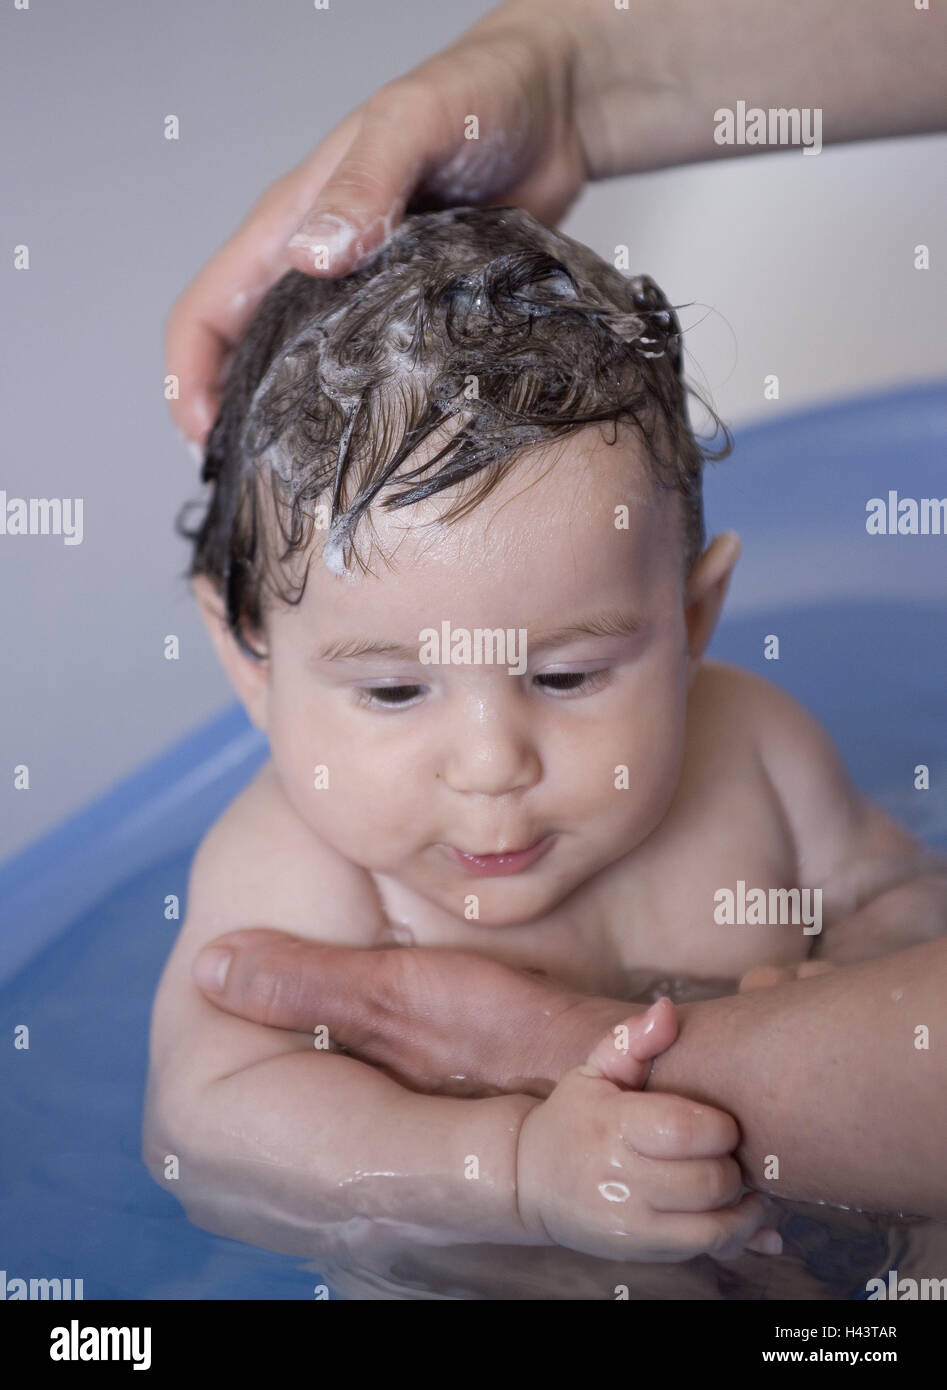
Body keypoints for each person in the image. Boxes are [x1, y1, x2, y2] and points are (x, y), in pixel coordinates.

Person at [160, 0, 947, 1261]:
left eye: (569, 671)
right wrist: (507, 1168)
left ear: (691, 618)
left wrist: (866, 952)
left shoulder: (753, 750)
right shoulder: (299, 875)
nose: (490, 761)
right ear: (250, 667)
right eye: (393, 693)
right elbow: (206, 1129)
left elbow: (899, 889)